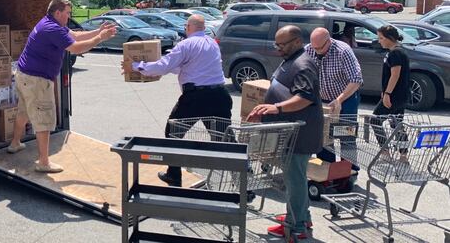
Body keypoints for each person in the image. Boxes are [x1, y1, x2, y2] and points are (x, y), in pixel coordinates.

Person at [8, 0, 116, 173]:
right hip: (37, 80)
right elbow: (76, 48)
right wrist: (100, 39)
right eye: (67, 13)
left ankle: (15, 143)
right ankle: (43, 163)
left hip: (24, 75)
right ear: (57, 12)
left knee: (24, 111)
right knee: (44, 119)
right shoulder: (52, 28)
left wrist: (98, 31)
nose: (69, 16)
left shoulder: (49, 23)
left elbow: (75, 35)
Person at [121, 14, 232, 187]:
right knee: (226, 139)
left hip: (196, 97)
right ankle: (244, 183)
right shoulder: (212, 44)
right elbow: (183, 66)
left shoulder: (186, 44)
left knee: (173, 132)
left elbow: (165, 65)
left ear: (188, 27)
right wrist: (154, 69)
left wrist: (135, 66)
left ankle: (174, 175)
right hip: (220, 95)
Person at [247, 26, 323, 240]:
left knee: (295, 180)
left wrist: (276, 107)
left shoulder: (303, 64)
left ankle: (297, 227)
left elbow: (305, 97)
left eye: (282, 45)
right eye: (276, 44)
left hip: (300, 134)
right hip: (289, 132)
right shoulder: (292, 59)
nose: (278, 49)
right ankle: (299, 217)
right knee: (293, 179)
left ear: (297, 42)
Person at [304, 27, 363, 166]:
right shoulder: (308, 50)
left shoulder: (343, 51)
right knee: (324, 136)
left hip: (346, 99)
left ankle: (348, 170)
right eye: (314, 47)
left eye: (320, 48)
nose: (316, 51)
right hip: (322, 100)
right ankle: (327, 169)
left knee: (346, 135)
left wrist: (339, 100)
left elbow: (356, 79)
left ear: (329, 41)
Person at [369, 25, 411, 163]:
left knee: (375, 120)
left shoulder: (396, 53)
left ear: (390, 38)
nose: (379, 41)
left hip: (394, 95)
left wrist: (387, 93)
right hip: (400, 95)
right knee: (397, 123)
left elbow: (395, 74)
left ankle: (385, 151)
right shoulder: (397, 52)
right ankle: (403, 155)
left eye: (381, 38)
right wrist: (384, 91)